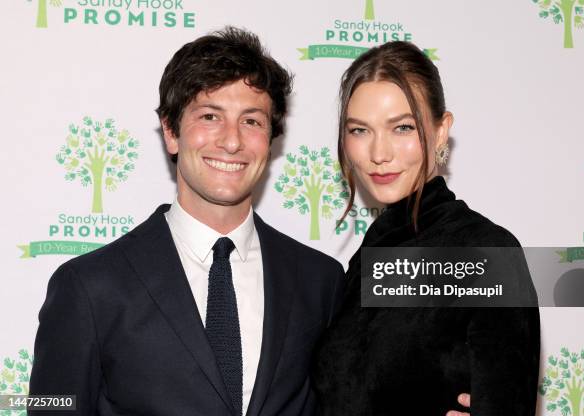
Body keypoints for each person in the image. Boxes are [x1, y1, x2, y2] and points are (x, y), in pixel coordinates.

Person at [29, 27, 345, 416]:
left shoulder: (321, 281)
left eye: (252, 121)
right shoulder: (90, 287)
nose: (232, 142)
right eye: (210, 116)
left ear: (271, 138)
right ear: (170, 131)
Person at [312, 41, 541, 415]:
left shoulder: (483, 252)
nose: (378, 153)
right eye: (359, 130)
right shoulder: (366, 261)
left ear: (440, 131)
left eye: (402, 127)